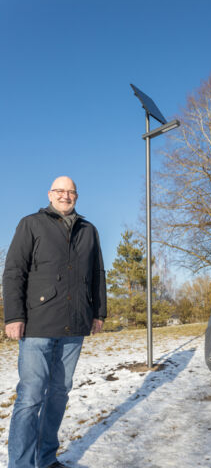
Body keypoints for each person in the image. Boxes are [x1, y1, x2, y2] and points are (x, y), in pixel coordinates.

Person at [3, 176, 106, 468]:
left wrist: (98, 312)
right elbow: (13, 272)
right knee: (31, 396)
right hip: (38, 324)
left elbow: (98, 272)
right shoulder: (31, 224)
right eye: (60, 191)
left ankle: (46, 458)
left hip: (74, 326)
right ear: (50, 194)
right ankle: (21, 464)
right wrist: (13, 316)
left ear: (77, 196)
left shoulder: (89, 230)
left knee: (59, 394)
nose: (65, 195)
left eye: (71, 191)